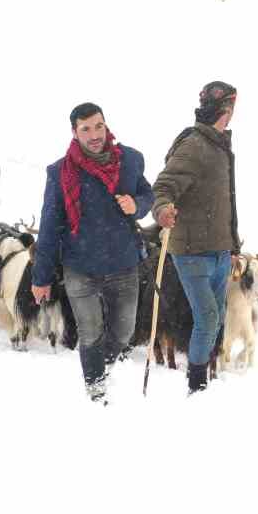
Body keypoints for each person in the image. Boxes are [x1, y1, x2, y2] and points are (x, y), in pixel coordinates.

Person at [32, 102, 157, 404]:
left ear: (106, 124)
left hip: (123, 263)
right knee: (90, 333)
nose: (94, 134)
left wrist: (137, 205)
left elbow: (147, 194)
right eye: (85, 129)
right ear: (75, 133)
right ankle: (96, 389)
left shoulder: (130, 160)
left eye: (98, 126)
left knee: (124, 333)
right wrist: (42, 277)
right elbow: (50, 227)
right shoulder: (60, 172)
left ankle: (101, 368)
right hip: (80, 266)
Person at [151, 80, 241, 395]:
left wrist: (233, 245)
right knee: (208, 318)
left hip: (218, 250)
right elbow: (164, 186)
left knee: (214, 322)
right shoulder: (194, 145)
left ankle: (200, 377)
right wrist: (162, 210)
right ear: (227, 108)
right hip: (191, 250)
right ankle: (197, 382)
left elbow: (227, 202)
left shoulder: (219, 145)